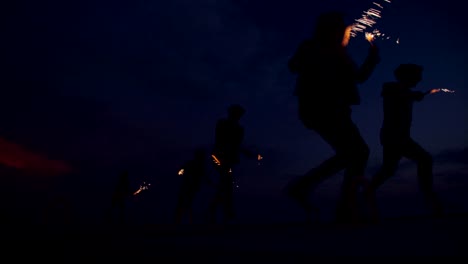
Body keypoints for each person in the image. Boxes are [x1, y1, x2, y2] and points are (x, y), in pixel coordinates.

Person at [284, 11, 380, 223]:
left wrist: (372, 57)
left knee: (352, 154)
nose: (345, 29)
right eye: (339, 27)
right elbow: (294, 66)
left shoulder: (338, 52)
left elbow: (359, 78)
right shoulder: (315, 47)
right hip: (322, 109)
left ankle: (305, 189)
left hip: (330, 109)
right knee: (358, 152)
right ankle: (344, 207)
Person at [365, 63, 444, 222]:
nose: (419, 80)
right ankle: (429, 198)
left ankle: (367, 192)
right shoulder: (392, 89)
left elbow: (411, 95)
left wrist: (424, 93)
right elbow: (402, 95)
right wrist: (417, 95)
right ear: (407, 76)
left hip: (397, 136)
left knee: (389, 169)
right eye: (417, 76)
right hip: (394, 136)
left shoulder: (402, 91)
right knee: (424, 159)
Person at [208, 104, 253, 224]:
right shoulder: (223, 124)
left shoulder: (239, 129)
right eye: (235, 113)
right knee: (226, 183)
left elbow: (236, 145)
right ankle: (224, 211)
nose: (237, 116)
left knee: (226, 183)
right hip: (221, 157)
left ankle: (220, 210)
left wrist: (244, 152)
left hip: (228, 159)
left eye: (239, 114)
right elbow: (220, 140)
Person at [174, 147, 210, 224]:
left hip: (189, 187)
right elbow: (204, 176)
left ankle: (181, 221)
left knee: (185, 204)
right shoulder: (196, 165)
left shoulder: (194, 164)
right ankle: (182, 221)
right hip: (189, 187)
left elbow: (180, 171)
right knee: (185, 204)